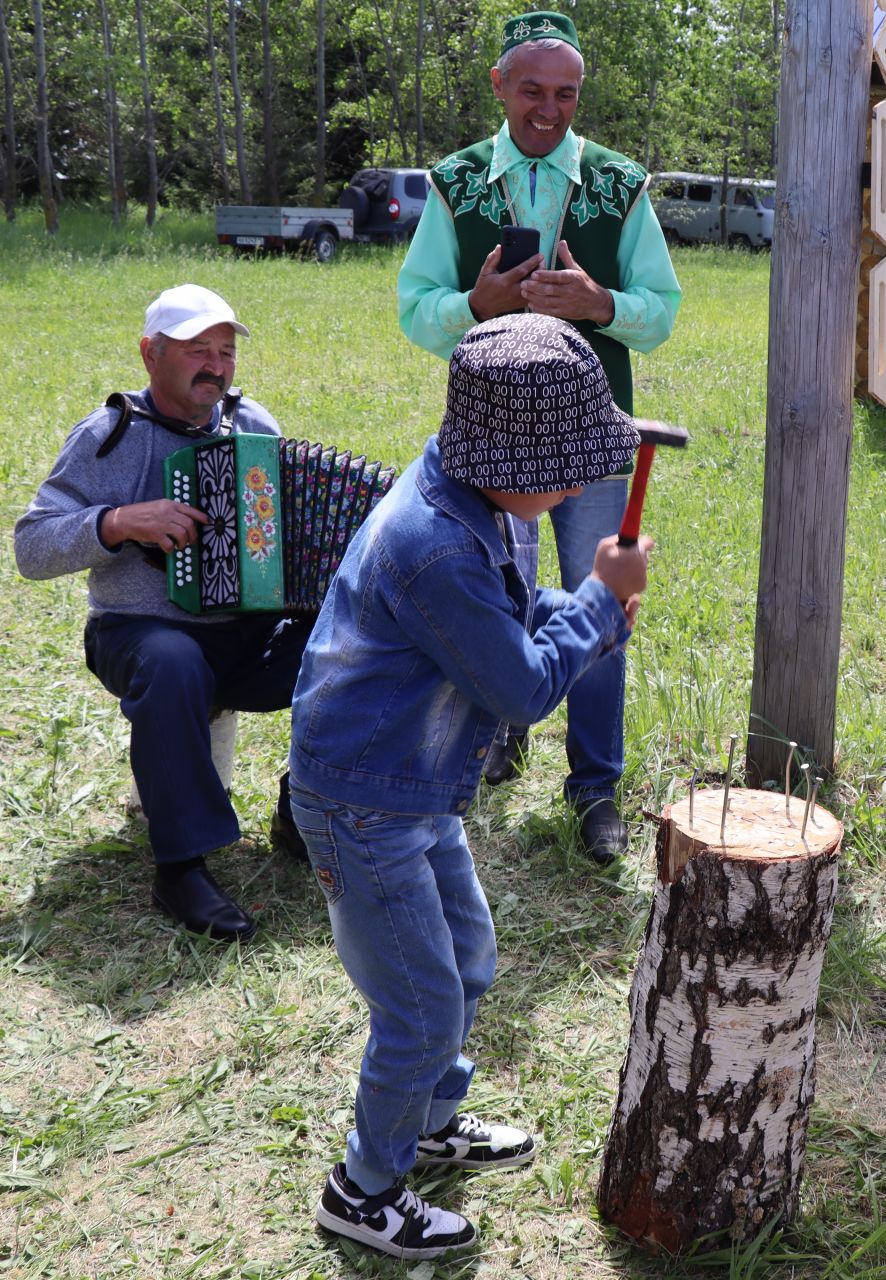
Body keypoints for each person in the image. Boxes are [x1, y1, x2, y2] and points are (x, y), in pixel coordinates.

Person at [289, 313, 652, 1261]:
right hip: (366, 798)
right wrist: (600, 605)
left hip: (418, 782)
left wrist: (582, 606)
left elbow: (516, 615)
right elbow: (523, 687)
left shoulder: (485, 501)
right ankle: (364, 1189)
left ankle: (426, 1120)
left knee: (468, 956)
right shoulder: (438, 545)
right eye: (564, 464)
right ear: (506, 454)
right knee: (419, 1008)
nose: (579, 482)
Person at [396, 8, 681, 865]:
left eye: (565, 92)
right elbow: (415, 308)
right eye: (532, 90)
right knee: (492, 596)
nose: (548, 109)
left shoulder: (620, 183)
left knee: (604, 604)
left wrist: (601, 306)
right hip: (487, 441)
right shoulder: (455, 183)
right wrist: (476, 307)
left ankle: (595, 785)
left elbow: (661, 312)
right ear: (499, 87)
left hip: (592, 438)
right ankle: (492, 738)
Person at [14, 284, 310, 944]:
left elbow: (286, 526)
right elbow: (31, 547)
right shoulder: (109, 436)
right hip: (137, 633)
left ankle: (306, 810)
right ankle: (180, 868)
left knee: (353, 635)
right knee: (173, 660)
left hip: (245, 633)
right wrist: (116, 522)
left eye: (226, 351)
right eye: (197, 349)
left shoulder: (253, 425)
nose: (216, 364)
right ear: (150, 354)